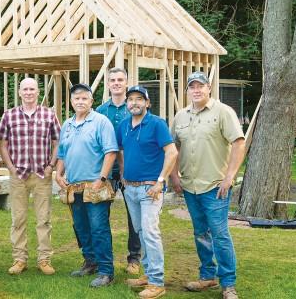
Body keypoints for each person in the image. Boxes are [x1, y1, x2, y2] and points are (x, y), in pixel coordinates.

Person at [170, 72, 245, 299]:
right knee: (200, 232)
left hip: (215, 186)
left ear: (209, 88)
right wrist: (174, 176)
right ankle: (207, 276)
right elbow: (172, 148)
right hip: (190, 186)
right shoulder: (180, 116)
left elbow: (239, 144)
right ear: (187, 90)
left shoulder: (223, 112)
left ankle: (228, 284)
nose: (196, 90)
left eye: (200, 86)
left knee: (220, 234)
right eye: (191, 86)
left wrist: (229, 177)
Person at [54, 83, 118, 288]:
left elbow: (111, 152)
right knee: (81, 227)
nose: (80, 101)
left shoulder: (101, 122)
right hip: (74, 186)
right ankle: (90, 262)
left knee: (99, 227)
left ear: (91, 101)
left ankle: (106, 271)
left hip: (95, 185)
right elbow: (62, 153)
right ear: (71, 102)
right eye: (76, 99)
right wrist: (58, 172)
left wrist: (102, 179)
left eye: (84, 98)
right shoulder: (68, 124)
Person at [117, 85, 177, 299]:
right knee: (140, 232)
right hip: (130, 188)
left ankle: (157, 282)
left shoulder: (157, 124)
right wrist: (123, 172)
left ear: (147, 103)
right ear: (127, 103)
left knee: (150, 233)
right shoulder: (124, 125)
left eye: (139, 99)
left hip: (150, 189)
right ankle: (148, 274)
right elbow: (120, 151)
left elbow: (171, 152)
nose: (135, 102)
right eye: (131, 99)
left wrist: (161, 181)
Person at [0, 77, 60, 276]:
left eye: (32, 89)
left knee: (43, 219)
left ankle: (44, 259)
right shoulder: (9, 116)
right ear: (19, 92)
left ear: (38, 92)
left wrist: (51, 165)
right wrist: (10, 167)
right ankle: (19, 259)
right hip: (19, 175)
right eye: (25, 89)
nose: (28, 92)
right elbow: (3, 144)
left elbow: (57, 142)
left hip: (42, 174)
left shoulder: (49, 115)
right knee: (18, 218)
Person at [96, 67, 141, 275]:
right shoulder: (100, 110)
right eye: (112, 80)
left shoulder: (133, 108)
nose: (116, 83)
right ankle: (103, 258)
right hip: (105, 170)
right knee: (100, 216)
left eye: (120, 79)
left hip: (129, 170)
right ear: (108, 83)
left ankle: (134, 258)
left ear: (126, 82)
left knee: (134, 216)